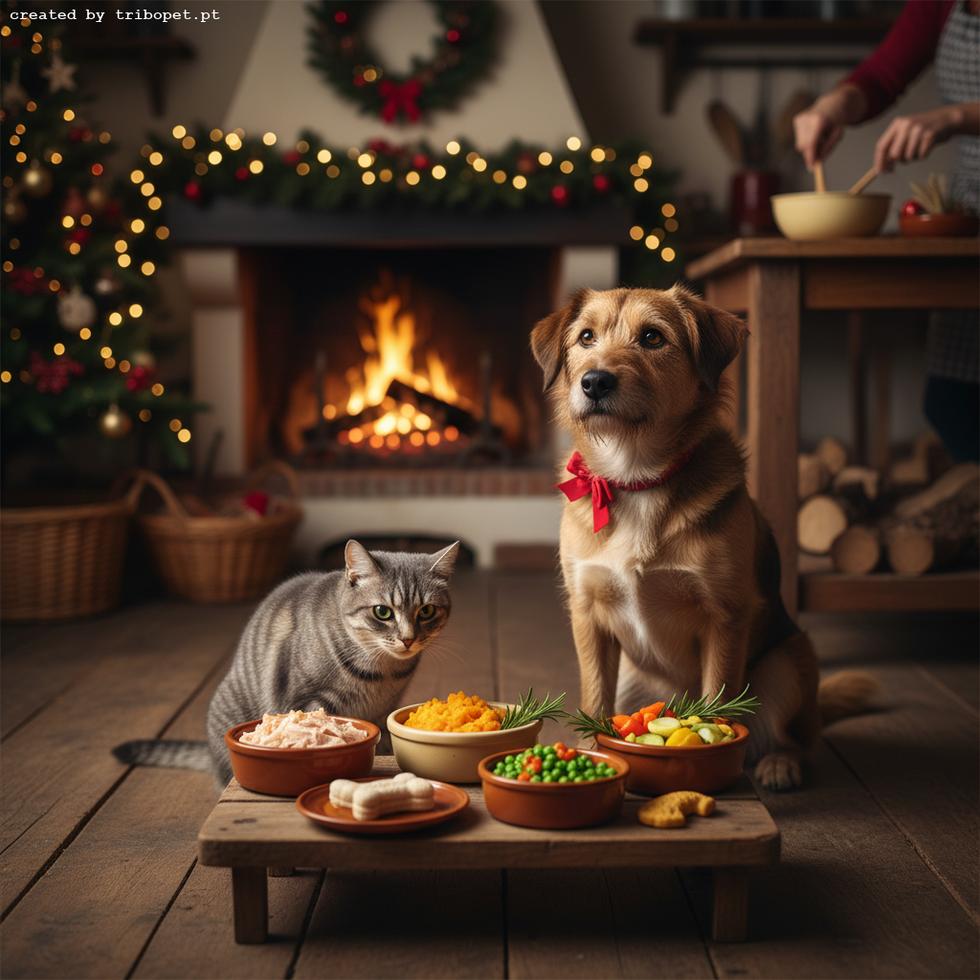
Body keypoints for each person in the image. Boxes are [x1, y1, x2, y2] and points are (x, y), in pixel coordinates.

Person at [793, 0, 980, 462]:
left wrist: (953, 117)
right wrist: (832, 106)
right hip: (969, 217)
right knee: (953, 400)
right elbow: (881, 78)